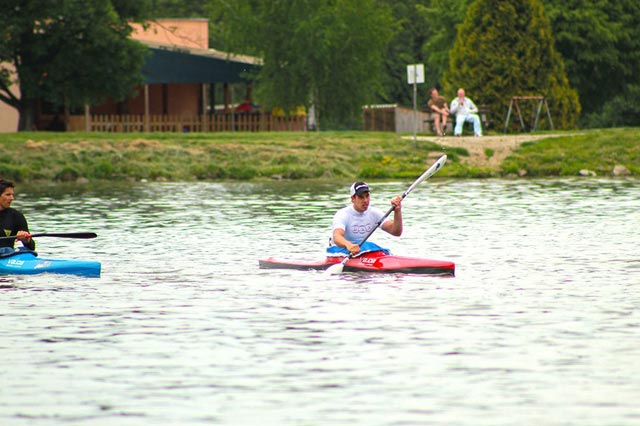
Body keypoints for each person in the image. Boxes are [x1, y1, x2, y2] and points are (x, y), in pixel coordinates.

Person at [328, 182, 402, 256]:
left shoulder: (374, 213)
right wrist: (349, 245)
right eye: (361, 197)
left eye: (367, 196)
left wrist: (397, 211)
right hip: (340, 250)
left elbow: (396, 232)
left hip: (361, 250)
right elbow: (337, 237)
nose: (365, 200)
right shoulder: (343, 214)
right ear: (353, 198)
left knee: (371, 247)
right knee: (367, 245)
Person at [0, 179, 36, 250]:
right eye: (8, 195)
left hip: (7, 257)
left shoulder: (16, 216)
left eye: (12, 195)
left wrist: (26, 240)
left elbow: (32, 248)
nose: (12, 198)